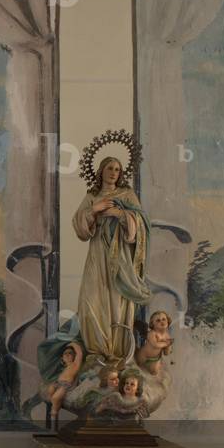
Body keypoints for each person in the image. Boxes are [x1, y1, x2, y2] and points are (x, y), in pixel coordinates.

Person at [73, 156, 152, 364]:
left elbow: (142, 224)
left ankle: (117, 352)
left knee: (116, 300)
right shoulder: (92, 196)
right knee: (90, 300)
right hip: (97, 253)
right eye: (109, 168)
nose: (113, 172)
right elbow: (79, 226)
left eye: (117, 169)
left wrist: (121, 214)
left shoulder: (127, 195)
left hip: (120, 257)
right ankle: (96, 351)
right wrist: (94, 209)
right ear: (101, 171)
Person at [135, 309, 173, 376]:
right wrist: (166, 343)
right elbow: (155, 345)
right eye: (158, 320)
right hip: (144, 355)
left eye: (164, 319)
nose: (162, 322)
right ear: (153, 324)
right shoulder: (152, 333)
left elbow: (166, 353)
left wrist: (168, 346)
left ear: (168, 321)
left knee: (154, 372)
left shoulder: (167, 336)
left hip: (155, 358)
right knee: (138, 364)